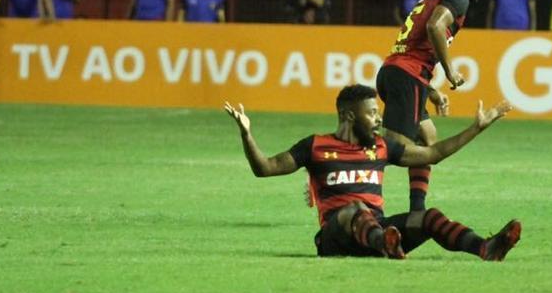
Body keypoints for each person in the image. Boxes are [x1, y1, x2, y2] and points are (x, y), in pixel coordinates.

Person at [223, 84, 521, 261]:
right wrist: (247, 135)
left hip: (380, 231)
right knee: (354, 209)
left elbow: (433, 153)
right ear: (349, 116)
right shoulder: (315, 146)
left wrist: (476, 129)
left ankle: (486, 248)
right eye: (372, 113)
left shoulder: (381, 147)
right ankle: (386, 246)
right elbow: (265, 168)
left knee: (429, 217)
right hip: (334, 238)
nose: (379, 118)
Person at [376, 0, 484, 213]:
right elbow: (435, 26)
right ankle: (337, 165)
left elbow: (417, 43)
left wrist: (431, 92)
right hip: (406, 75)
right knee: (393, 151)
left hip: (395, 71)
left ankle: (418, 210)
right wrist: (450, 71)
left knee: (427, 137)